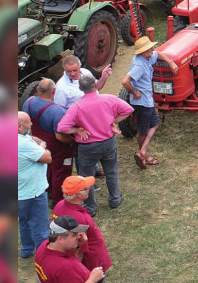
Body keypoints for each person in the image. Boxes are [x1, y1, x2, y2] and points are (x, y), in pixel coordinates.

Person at [57, 76, 134, 213]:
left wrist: (76, 130)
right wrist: (113, 122)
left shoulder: (77, 107)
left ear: (80, 88)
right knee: (111, 172)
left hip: (88, 147)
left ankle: (91, 207)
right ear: (96, 85)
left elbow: (61, 127)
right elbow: (128, 109)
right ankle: (115, 199)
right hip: (108, 142)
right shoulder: (109, 99)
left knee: (86, 177)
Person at [52, 176, 111, 283]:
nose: (90, 188)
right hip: (92, 264)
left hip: (83, 264)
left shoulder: (60, 205)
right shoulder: (79, 219)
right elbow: (78, 249)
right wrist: (85, 271)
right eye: (86, 188)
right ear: (79, 194)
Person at [121, 36, 178, 169]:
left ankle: (142, 152)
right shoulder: (139, 65)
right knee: (143, 130)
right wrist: (135, 92)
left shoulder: (148, 57)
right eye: (149, 48)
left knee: (156, 123)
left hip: (148, 100)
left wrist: (170, 62)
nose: (152, 49)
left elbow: (158, 54)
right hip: (142, 103)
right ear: (142, 52)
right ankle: (142, 155)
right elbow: (125, 81)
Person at [34, 215, 104, 283]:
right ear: (60, 238)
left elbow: (74, 265)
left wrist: (78, 247)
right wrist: (92, 279)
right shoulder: (63, 267)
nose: (79, 236)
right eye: (74, 235)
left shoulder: (43, 247)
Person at [23, 78, 75, 207]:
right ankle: (58, 200)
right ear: (54, 91)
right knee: (61, 171)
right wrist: (73, 142)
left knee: (46, 167)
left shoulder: (28, 102)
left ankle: (47, 189)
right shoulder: (57, 111)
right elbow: (60, 137)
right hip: (57, 147)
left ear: (37, 89)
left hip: (38, 142)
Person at [17, 111, 51, 258]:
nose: (31, 125)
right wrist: (42, 145)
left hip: (18, 193)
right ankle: (44, 255)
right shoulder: (24, 144)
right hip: (32, 193)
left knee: (24, 222)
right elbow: (47, 158)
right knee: (40, 226)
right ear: (19, 127)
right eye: (28, 123)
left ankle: (27, 249)